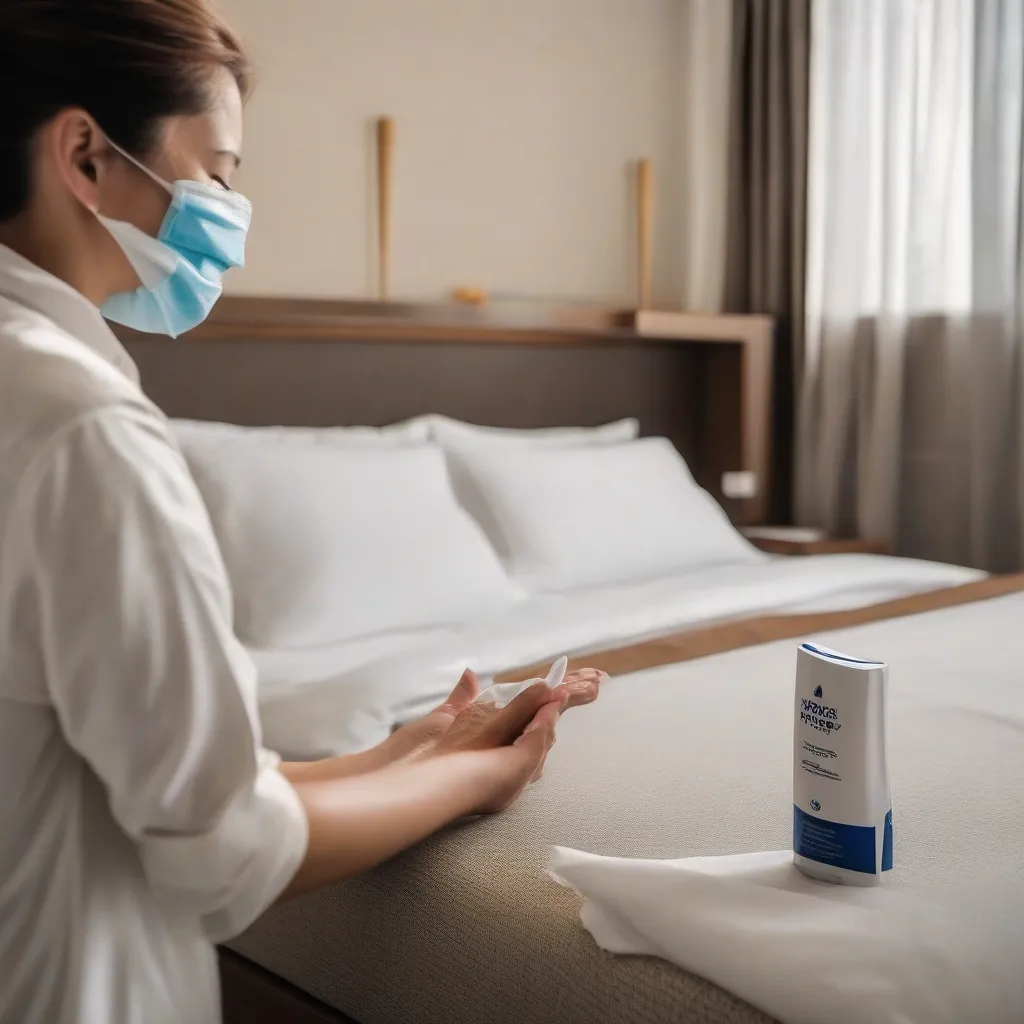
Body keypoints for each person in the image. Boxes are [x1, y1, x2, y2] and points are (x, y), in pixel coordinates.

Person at [0, 3, 602, 1022]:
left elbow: (111, 755)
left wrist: (398, 751)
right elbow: (223, 854)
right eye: (221, 172)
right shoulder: (85, 429)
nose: (232, 211)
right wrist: (477, 783)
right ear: (86, 154)